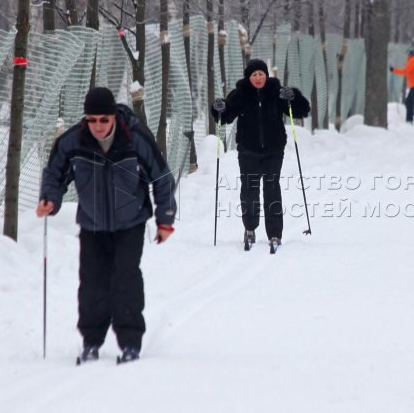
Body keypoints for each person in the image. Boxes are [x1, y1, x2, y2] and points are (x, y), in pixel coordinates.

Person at [37, 87, 177, 364]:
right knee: (93, 283)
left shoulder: (135, 139)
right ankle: (91, 341)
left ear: (113, 117)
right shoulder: (72, 141)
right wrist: (49, 200)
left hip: (131, 222)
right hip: (92, 223)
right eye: (92, 120)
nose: (98, 126)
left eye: (104, 119)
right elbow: (54, 174)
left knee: (125, 279)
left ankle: (130, 342)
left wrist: (165, 220)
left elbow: (161, 178)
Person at [211, 59, 310, 250]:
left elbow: (302, 111)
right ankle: (250, 228)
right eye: (254, 75)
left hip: (274, 150)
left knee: (272, 190)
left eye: (261, 74)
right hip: (248, 151)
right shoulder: (240, 94)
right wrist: (219, 108)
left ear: (267, 75)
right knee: (249, 190)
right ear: (249, 77)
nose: (258, 78)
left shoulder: (276, 91)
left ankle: (274, 233)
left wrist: (293, 97)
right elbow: (225, 117)